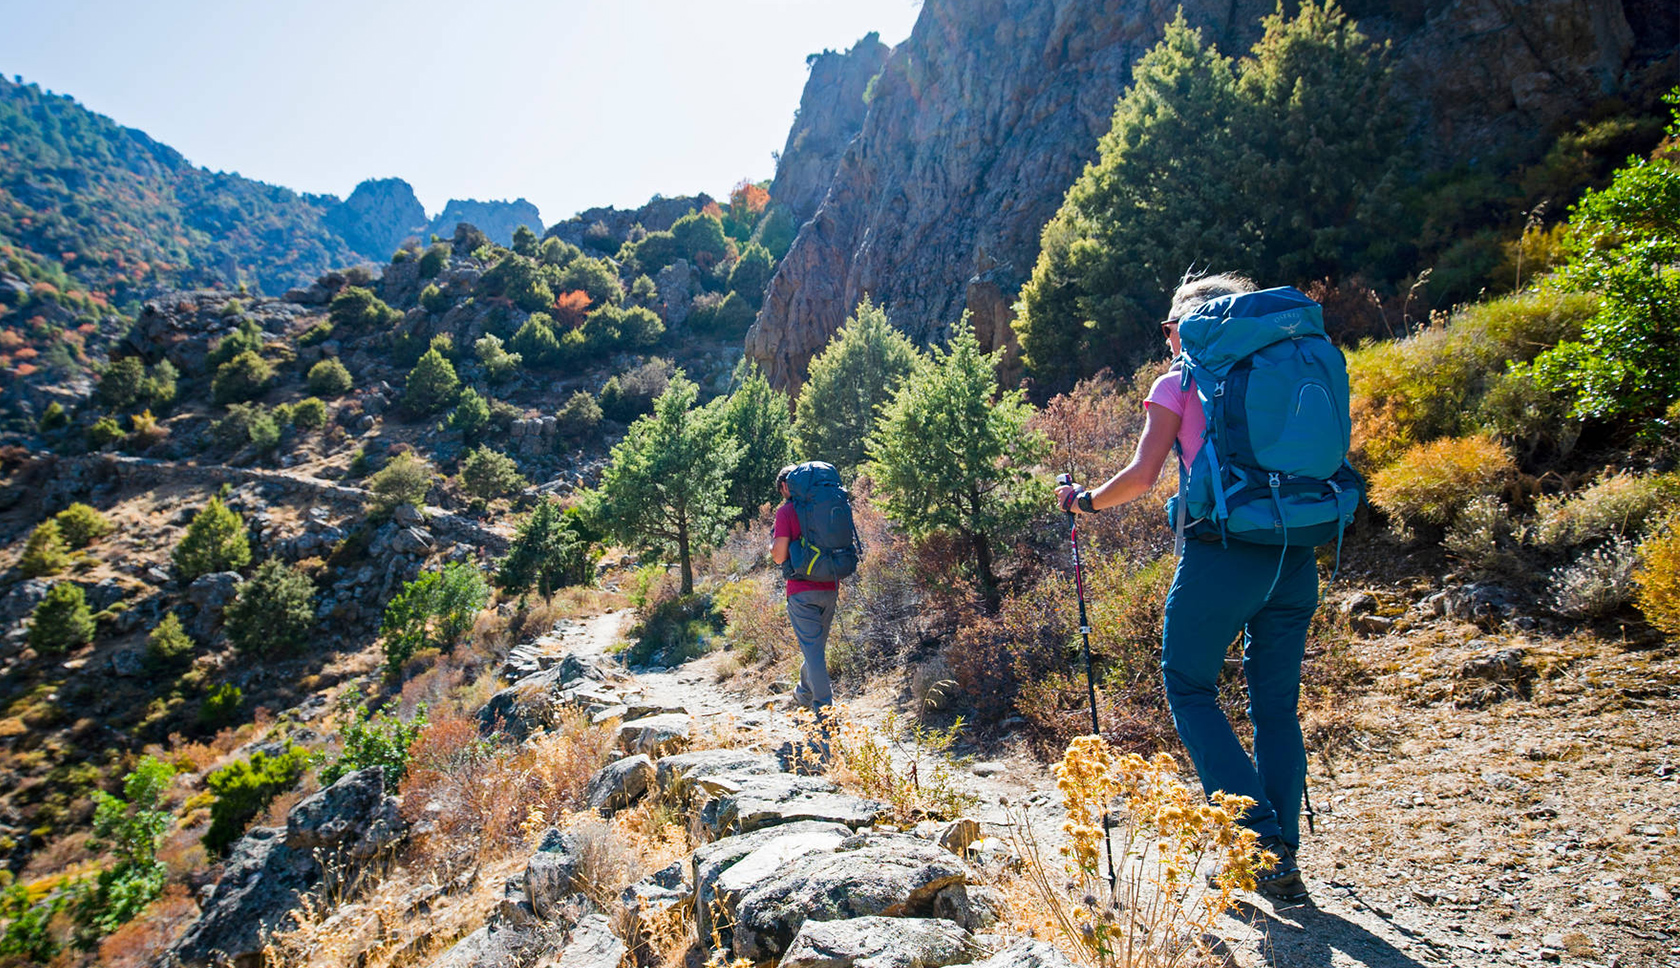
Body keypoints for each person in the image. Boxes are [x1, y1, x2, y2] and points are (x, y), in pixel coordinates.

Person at [1054, 272, 1317, 904]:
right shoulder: (1286, 364)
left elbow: (1142, 476)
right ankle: (1281, 850)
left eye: (1170, 329)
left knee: (1189, 686)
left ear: (1186, 329)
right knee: (1275, 706)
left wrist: (1085, 501)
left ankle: (1258, 844)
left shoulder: (1180, 381)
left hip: (1223, 554)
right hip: (1298, 549)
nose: (1169, 340)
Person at [770, 464, 839, 714]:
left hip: (801, 590)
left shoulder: (786, 512)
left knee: (813, 650)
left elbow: (779, 556)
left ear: (786, 486)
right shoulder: (826, 507)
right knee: (815, 648)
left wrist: (773, 548)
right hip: (831, 585)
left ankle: (824, 709)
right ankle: (804, 692)